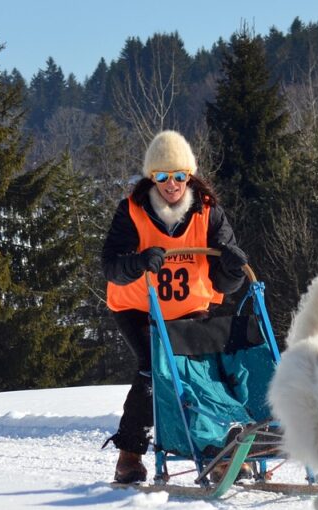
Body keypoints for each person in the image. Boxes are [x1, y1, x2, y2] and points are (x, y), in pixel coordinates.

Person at [101, 130, 248, 484]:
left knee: (199, 371)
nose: (172, 184)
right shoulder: (132, 211)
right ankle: (130, 455)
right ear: (152, 178)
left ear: (190, 176)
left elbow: (225, 280)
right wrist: (137, 262)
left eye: (179, 176)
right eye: (163, 177)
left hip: (189, 307)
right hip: (138, 307)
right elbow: (112, 265)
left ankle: (215, 448)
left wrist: (232, 270)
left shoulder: (208, 212)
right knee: (154, 367)